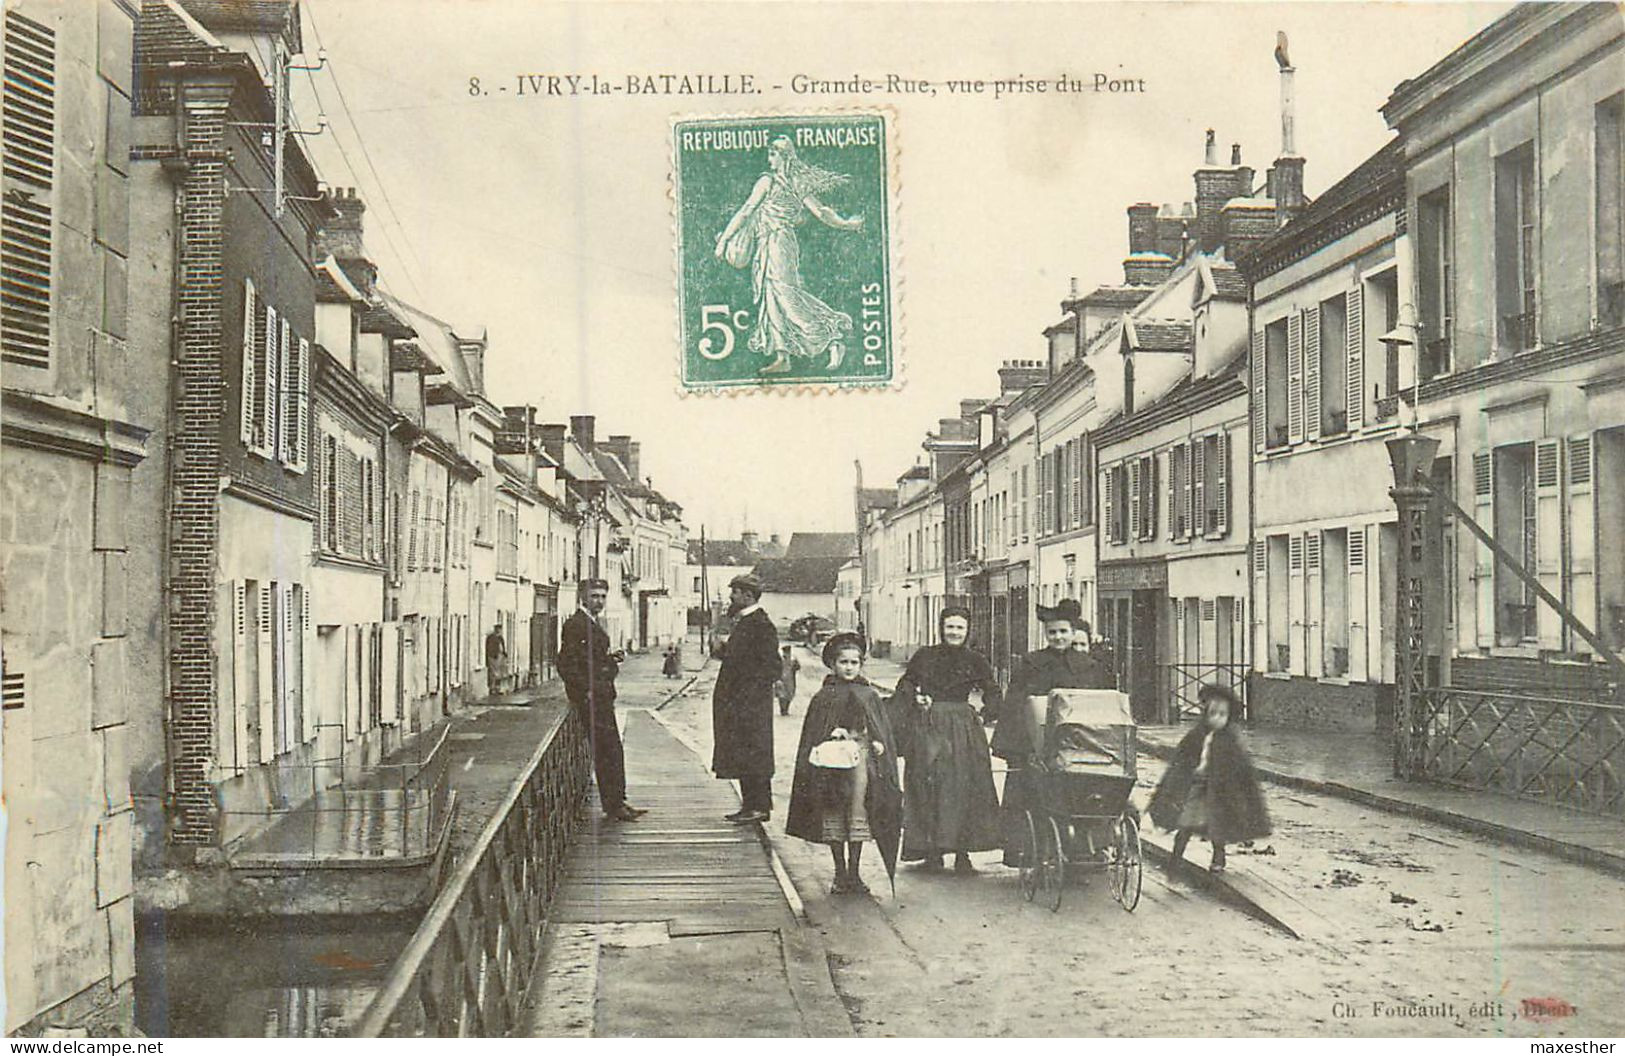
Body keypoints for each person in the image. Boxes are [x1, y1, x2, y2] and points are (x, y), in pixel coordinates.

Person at [714, 136, 865, 375]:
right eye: (769, 154)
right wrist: (846, 224)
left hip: (779, 243)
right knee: (771, 296)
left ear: (784, 156)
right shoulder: (789, 182)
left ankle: (831, 337)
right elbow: (822, 213)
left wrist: (723, 241)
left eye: (773, 154)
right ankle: (782, 356)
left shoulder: (772, 182)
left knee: (785, 295)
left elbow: (746, 211)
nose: (769, 159)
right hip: (768, 243)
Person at [992, 599, 1116, 867]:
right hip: (1038, 743)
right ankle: (1035, 850)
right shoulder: (1032, 663)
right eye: (1052, 632)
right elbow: (1016, 703)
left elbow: (1102, 705)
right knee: (1035, 794)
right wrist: (1019, 746)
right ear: (1046, 635)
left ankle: (1085, 848)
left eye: (1063, 632)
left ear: (1073, 633)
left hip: (1081, 743)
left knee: (1087, 794)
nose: (1058, 637)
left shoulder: (1091, 666)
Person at [786, 633, 901, 896]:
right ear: (833, 664)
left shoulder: (869, 695)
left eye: (854, 662)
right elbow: (814, 735)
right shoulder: (824, 696)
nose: (849, 667)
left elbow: (879, 729)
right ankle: (839, 872)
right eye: (843, 662)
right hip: (831, 766)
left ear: (861, 664)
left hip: (861, 765)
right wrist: (832, 734)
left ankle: (854, 871)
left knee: (858, 814)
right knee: (834, 814)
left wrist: (876, 743)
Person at [890, 606, 1003, 873]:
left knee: (966, 786)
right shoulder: (925, 656)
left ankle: (962, 853)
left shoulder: (975, 659)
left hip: (963, 729)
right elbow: (906, 683)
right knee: (928, 784)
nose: (954, 632)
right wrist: (913, 698)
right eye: (949, 626)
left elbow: (993, 691)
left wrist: (985, 715)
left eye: (959, 627)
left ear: (967, 630)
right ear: (941, 628)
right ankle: (932, 851)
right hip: (929, 724)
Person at [1148, 684, 1271, 874]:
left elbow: (1240, 768)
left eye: (1223, 715)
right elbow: (1181, 760)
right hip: (1196, 788)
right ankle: (1175, 859)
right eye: (1213, 713)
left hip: (1219, 792)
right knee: (1186, 823)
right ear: (1206, 713)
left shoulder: (1230, 740)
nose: (1217, 719)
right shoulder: (1196, 735)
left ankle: (1218, 859)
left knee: (1218, 826)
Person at [559, 580, 648, 822]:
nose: (599, 601)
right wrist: (583, 691)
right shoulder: (576, 625)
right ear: (582, 596)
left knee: (612, 749)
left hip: (601, 696)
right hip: (593, 699)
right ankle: (614, 804)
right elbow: (567, 664)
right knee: (607, 750)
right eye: (594, 596)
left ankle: (618, 801)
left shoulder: (590, 623)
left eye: (602, 597)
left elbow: (591, 660)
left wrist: (609, 659)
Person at [713, 573, 781, 823]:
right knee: (744, 753)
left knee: (755, 754)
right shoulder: (744, 622)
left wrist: (747, 695)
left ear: (748, 596)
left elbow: (772, 666)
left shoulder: (760, 624)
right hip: (740, 703)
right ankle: (750, 805)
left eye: (735, 592)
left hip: (750, 705)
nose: (731, 597)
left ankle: (759, 808)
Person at [775, 645, 801, 716]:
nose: (786, 654)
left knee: (790, 694)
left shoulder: (793, 660)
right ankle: (783, 710)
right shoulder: (780, 659)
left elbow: (798, 667)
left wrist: (796, 664)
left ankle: (786, 709)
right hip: (781, 679)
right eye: (785, 652)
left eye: (788, 652)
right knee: (782, 695)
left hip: (790, 679)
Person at [484, 623, 508, 696]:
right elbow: (489, 648)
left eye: (500, 629)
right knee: (493, 673)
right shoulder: (491, 637)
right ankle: (492, 688)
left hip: (500, 657)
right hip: (493, 657)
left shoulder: (500, 638)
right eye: (497, 629)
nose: (499, 631)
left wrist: (504, 654)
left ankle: (498, 688)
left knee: (500, 673)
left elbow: (503, 647)